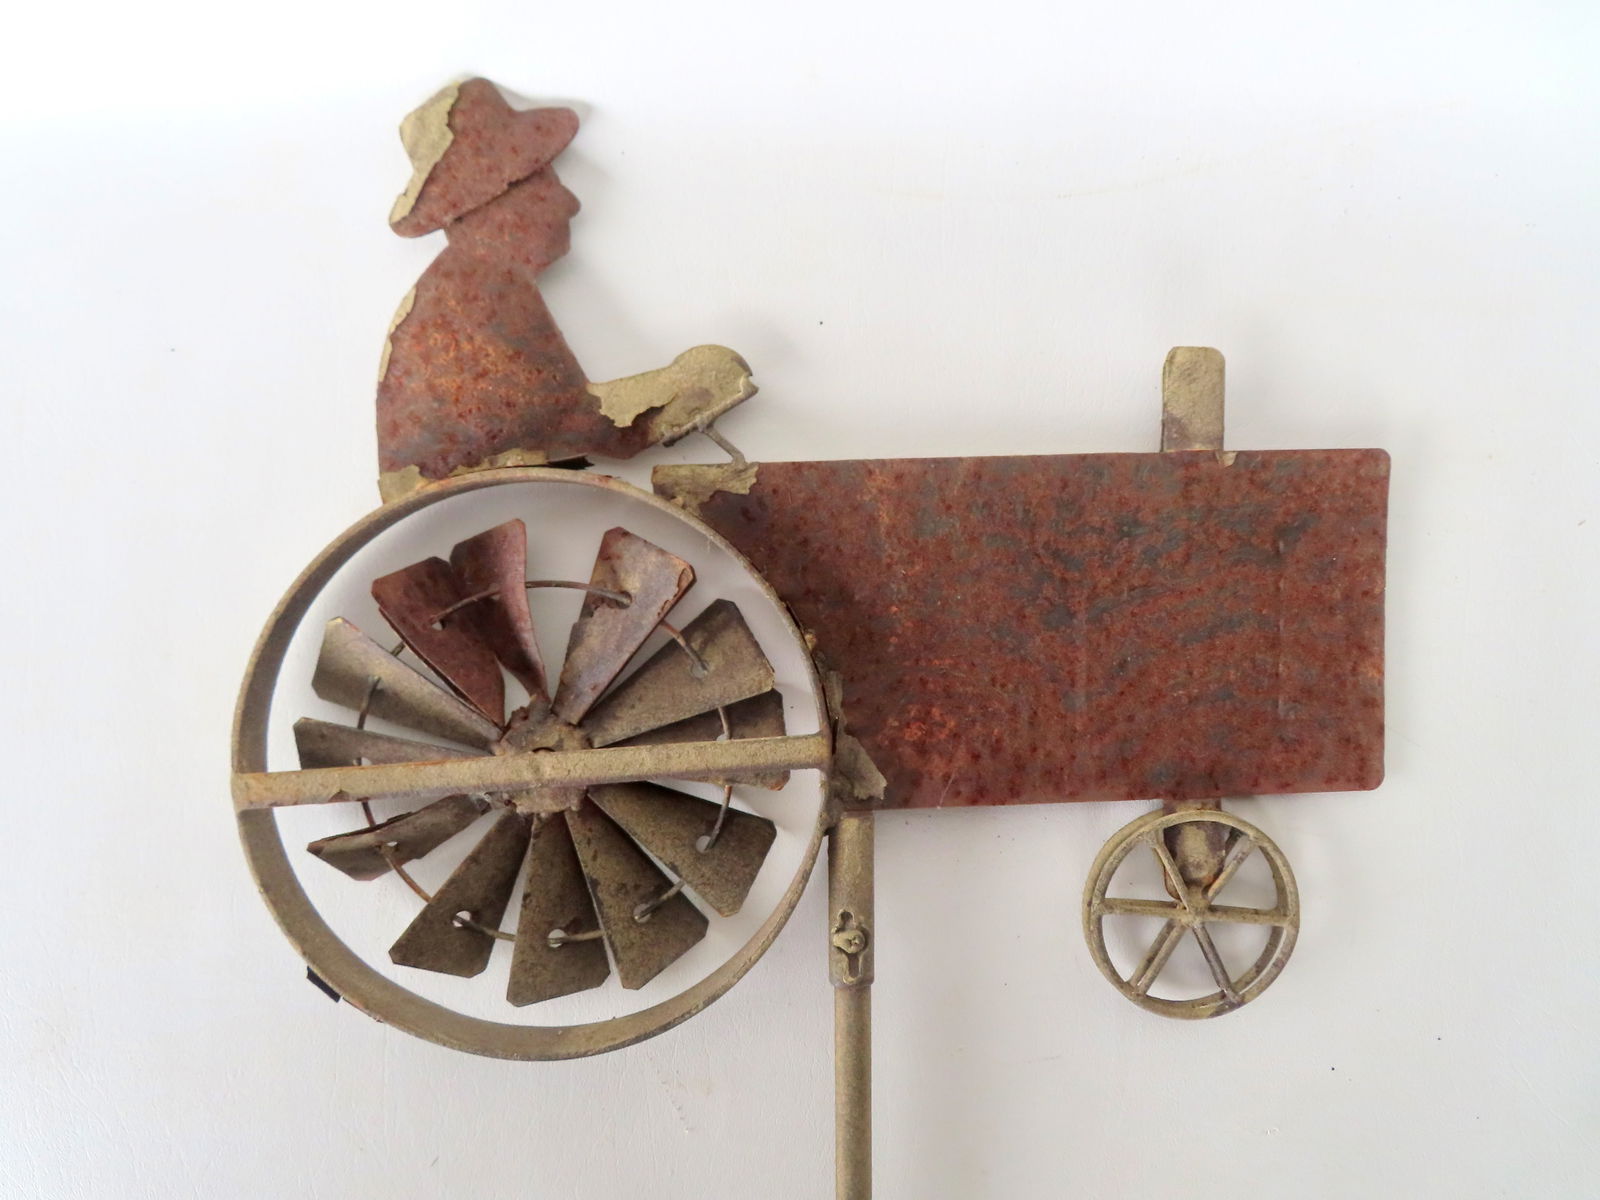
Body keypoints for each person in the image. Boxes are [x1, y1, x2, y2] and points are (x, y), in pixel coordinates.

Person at [377, 78, 754, 501]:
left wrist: (675, 389)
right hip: (462, 506)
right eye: (544, 181)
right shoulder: (475, 290)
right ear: (495, 200)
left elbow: (561, 418)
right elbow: (572, 423)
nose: (569, 202)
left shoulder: (477, 282)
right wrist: (683, 387)